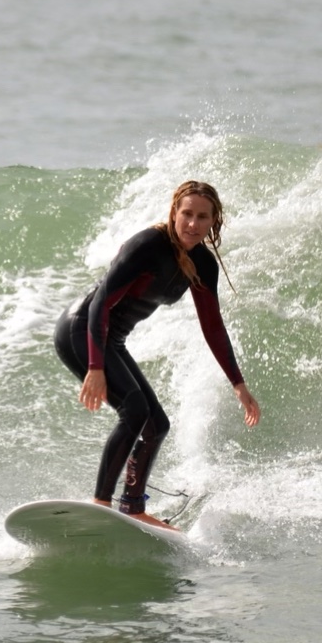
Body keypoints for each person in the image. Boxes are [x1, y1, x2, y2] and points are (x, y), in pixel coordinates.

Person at [53, 180, 261, 529]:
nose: (193, 224)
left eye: (202, 217)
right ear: (174, 212)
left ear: (214, 221)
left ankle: (132, 507)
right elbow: (101, 303)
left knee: (157, 424)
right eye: (187, 214)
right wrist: (96, 367)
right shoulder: (147, 246)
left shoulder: (202, 265)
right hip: (82, 329)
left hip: (113, 340)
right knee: (134, 410)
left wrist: (238, 384)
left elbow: (212, 326)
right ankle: (101, 503)